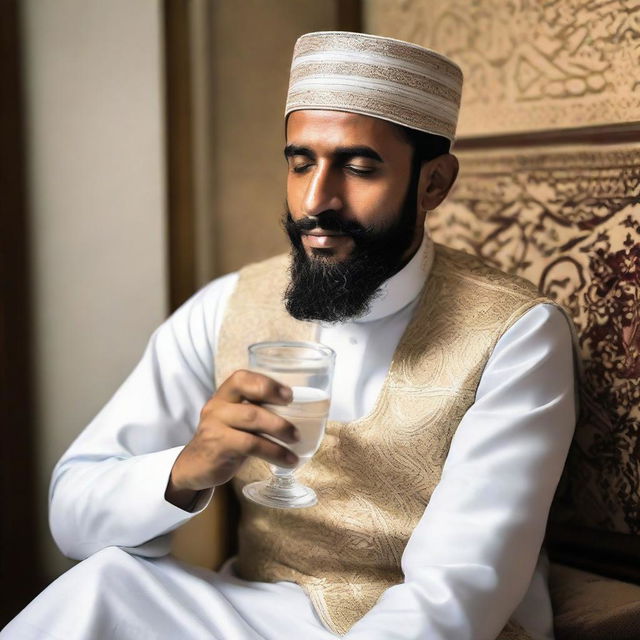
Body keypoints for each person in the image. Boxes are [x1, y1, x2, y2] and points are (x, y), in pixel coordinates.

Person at [2, 31, 577, 640]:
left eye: (358, 168)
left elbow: (456, 595)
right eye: (300, 162)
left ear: (433, 184)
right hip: (251, 613)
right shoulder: (226, 306)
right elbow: (73, 516)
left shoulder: (517, 334)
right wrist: (183, 470)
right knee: (105, 584)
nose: (315, 200)